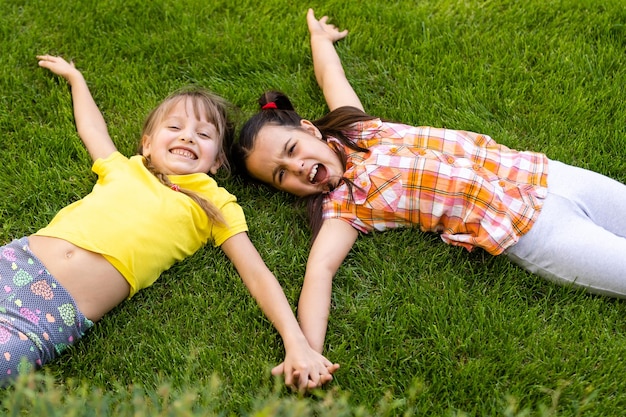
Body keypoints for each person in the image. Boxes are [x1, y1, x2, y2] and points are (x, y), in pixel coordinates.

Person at [231, 8, 626, 381]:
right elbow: (319, 273)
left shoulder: (360, 127)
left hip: (549, 175)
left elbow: (330, 77)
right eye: (281, 175)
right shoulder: (345, 207)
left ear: (310, 130)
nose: (297, 168)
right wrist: (306, 351)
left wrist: (320, 38)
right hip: (532, 229)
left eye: (292, 150)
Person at [0, 55, 338, 391]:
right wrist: (76, 79)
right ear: (147, 144)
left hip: (54, 314)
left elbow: (256, 273)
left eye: (204, 135)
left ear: (217, 162)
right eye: (175, 128)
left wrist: (296, 342)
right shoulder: (125, 167)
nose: (188, 137)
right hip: (18, 260)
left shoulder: (215, 204)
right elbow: (91, 129)